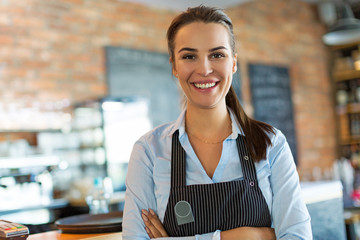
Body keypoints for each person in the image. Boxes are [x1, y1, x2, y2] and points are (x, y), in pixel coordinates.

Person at [122, 5, 312, 240]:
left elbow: (298, 236)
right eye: (189, 56)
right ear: (174, 66)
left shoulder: (271, 143)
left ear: (233, 63)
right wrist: (252, 236)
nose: (204, 68)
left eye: (217, 55)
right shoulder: (149, 151)